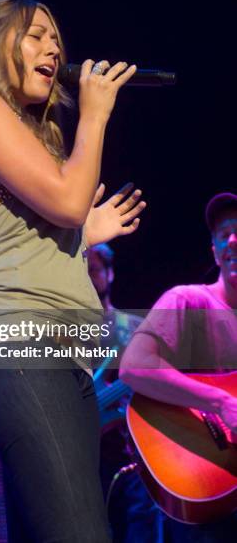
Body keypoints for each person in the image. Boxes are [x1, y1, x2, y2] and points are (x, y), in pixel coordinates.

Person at [0, 0, 146, 543]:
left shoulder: (32, 138)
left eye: (56, 40)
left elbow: (53, 220)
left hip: (61, 358)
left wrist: (81, 235)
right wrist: (96, 115)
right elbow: (68, 202)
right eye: (35, 36)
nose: (53, 48)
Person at [119, 192, 237, 542]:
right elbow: (134, 366)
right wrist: (220, 402)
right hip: (205, 483)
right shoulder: (188, 300)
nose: (232, 239)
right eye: (224, 233)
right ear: (214, 251)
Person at [87, 244, 163, 542]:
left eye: (93, 269)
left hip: (134, 455)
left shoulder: (133, 328)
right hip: (87, 462)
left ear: (110, 272)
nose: (88, 278)